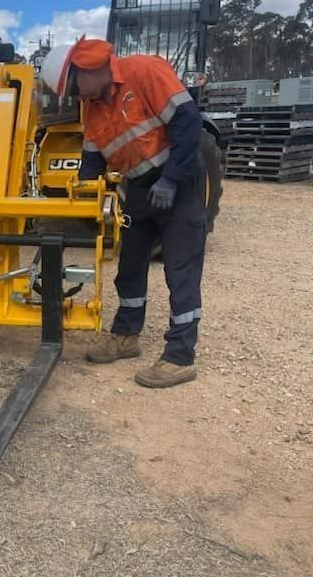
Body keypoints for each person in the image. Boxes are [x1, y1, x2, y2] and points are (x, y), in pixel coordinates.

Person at [41, 37, 207, 388]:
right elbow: (92, 155)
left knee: (180, 267)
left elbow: (188, 123)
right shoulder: (92, 106)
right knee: (130, 264)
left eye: (73, 87)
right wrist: (84, 189)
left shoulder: (143, 71)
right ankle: (126, 337)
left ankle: (180, 355)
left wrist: (172, 179)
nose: (75, 96)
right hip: (139, 188)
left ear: (87, 69)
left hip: (179, 183)